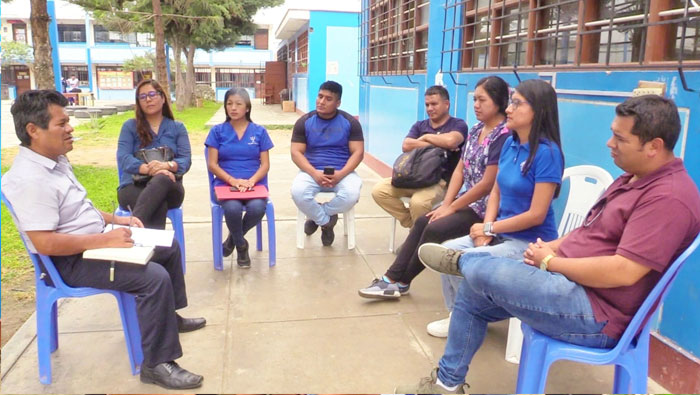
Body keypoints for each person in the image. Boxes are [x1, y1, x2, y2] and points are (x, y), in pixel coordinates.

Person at [402, 94, 700, 393]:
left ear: (654, 146)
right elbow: (588, 229)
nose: (610, 143)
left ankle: (462, 261)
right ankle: (446, 383)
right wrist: (552, 249)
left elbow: (624, 272)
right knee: (473, 291)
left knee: (482, 270)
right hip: (567, 281)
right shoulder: (633, 177)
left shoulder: (668, 198)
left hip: (596, 313)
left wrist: (550, 262)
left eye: (620, 138)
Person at [2, 90, 207, 390]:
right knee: (153, 277)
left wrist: (118, 220)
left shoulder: (54, 160)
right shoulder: (29, 179)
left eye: (69, 121)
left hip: (92, 243)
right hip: (71, 262)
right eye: (62, 124)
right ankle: (156, 364)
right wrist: (104, 241)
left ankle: (169, 318)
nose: (71, 129)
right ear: (34, 130)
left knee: (167, 244)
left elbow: (79, 210)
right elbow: (45, 243)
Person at [422, 78, 565, 339]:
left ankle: (470, 314)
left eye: (517, 104)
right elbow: (496, 188)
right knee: (448, 253)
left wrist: (489, 227)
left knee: (467, 261)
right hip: (499, 232)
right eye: (511, 103)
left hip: (530, 244)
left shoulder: (548, 153)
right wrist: (485, 231)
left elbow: (536, 215)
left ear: (538, 110)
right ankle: (458, 314)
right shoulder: (511, 142)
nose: (509, 110)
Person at [358, 76, 511, 301]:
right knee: (423, 221)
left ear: (498, 102)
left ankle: (397, 281)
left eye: (482, 100)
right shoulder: (478, 129)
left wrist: (450, 208)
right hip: (468, 200)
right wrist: (448, 204)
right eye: (475, 99)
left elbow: (488, 184)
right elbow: (460, 169)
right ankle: (394, 280)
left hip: (488, 207)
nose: (476, 105)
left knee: (434, 228)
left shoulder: (503, 136)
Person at [371, 85, 468, 229]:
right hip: (412, 177)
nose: (429, 108)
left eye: (434, 104)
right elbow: (406, 145)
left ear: (446, 104)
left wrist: (427, 137)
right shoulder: (419, 125)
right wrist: (438, 143)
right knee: (379, 191)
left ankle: (416, 239)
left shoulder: (458, 124)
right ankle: (413, 227)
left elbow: (451, 141)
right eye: (427, 104)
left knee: (418, 203)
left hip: (439, 182)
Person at [205, 88, 274, 268]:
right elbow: (212, 164)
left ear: (247, 108)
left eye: (238, 104)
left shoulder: (259, 132)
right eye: (229, 103)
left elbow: (265, 165)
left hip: (254, 184)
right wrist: (233, 181)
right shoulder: (217, 131)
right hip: (225, 184)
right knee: (233, 209)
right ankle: (242, 246)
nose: (233, 108)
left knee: (258, 208)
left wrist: (251, 181)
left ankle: (232, 240)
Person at [290, 81, 364, 246]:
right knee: (298, 192)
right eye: (320, 96)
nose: (321, 102)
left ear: (338, 103)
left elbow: (358, 152)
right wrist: (314, 173)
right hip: (311, 171)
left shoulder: (350, 122)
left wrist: (341, 174)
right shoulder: (304, 121)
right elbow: (296, 152)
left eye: (328, 99)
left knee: (352, 194)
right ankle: (326, 223)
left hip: (342, 172)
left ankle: (317, 218)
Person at [117, 79, 191, 229]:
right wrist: (149, 169)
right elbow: (123, 158)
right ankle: (159, 252)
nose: (148, 99)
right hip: (133, 186)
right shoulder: (130, 127)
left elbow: (186, 160)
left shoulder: (177, 128)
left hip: (171, 186)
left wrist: (166, 166)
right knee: (158, 204)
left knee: (162, 179)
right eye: (142, 97)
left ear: (163, 98)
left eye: (152, 94)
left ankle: (133, 231)